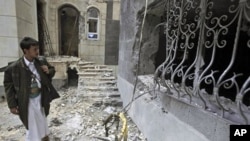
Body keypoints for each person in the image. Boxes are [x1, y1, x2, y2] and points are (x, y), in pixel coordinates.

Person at [3, 37, 60, 141]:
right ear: (25, 51)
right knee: (31, 124)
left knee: (42, 119)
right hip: (26, 101)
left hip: (41, 98)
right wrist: (12, 105)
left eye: (38, 49)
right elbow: (8, 86)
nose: (37, 52)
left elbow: (52, 70)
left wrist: (48, 70)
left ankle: (44, 137)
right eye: (35, 49)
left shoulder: (41, 61)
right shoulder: (14, 68)